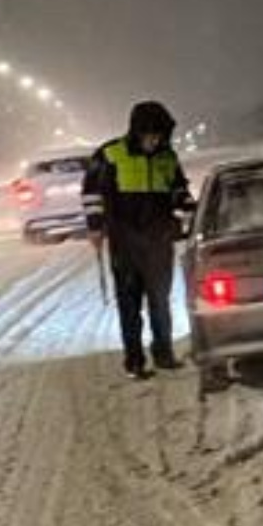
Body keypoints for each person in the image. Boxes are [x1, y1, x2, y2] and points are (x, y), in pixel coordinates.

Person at [83, 101, 193, 379]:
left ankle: (164, 353)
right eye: (149, 135)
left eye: (159, 135)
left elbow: (177, 188)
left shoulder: (167, 157)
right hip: (125, 242)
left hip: (158, 240)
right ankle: (134, 361)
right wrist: (95, 226)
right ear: (136, 132)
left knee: (160, 300)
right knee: (129, 304)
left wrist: (186, 202)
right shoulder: (109, 154)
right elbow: (91, 193)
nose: (154, 141)